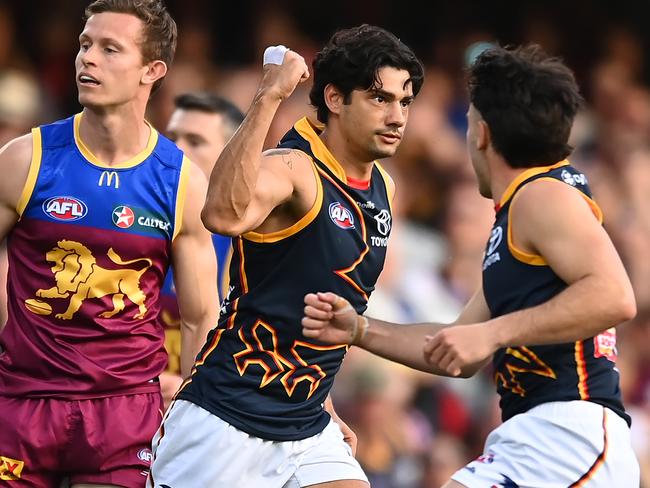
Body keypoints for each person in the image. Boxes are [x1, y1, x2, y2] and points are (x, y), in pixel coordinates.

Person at [301, 45, 640, 487]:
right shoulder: (519, 217)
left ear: (481, 132)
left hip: (568, 436)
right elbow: (457, 351)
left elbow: (615, 296)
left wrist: (493, 332)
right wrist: (359, 331)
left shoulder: (541, 194)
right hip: (534, 437)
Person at [150, 25, 424, 488]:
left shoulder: (384, 188)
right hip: (225, 419)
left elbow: (321, 312)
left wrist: (327, 404)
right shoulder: (293, 168)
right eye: (380, 99)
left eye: (405, 101)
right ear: (335, 99)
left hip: (306, 423)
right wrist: (268, 96)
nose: (397, 116)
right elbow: (220, 213)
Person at [0, 1, 218, 486]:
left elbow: (201, 316)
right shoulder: (24, 160)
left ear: (152, 70)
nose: (87, 59)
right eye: (84, 44)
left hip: (124, 416)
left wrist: (190, 413)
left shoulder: (181, 182)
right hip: (21, 404)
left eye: (109, 48)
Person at [159, 92, 244, 407]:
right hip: (123, 394)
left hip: (210, 406)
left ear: (231, 154)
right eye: (172, 138)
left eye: (195, 141)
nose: (177, 151)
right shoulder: (131, 222)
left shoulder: (249, 244)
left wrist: (186, 384)